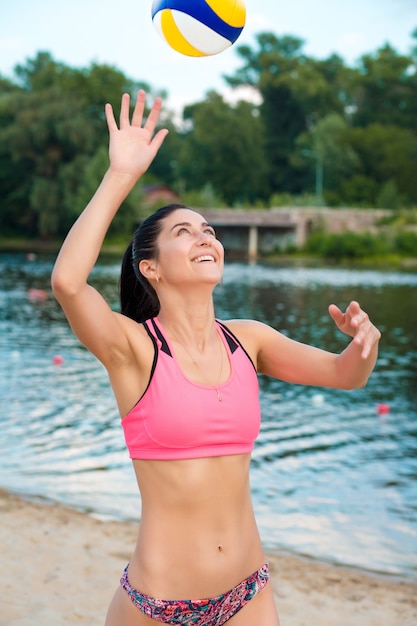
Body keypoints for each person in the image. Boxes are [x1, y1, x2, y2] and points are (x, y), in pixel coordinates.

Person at [51, 91, 381, 626]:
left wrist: (363, 345)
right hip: (156, 605)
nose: (205, 237)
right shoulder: (135, 349)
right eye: (184, 232)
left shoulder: (249, 340)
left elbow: (347, 376)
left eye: (208, 229)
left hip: (247, 594)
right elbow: (67, 283)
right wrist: (121, 176)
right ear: (150, 268)